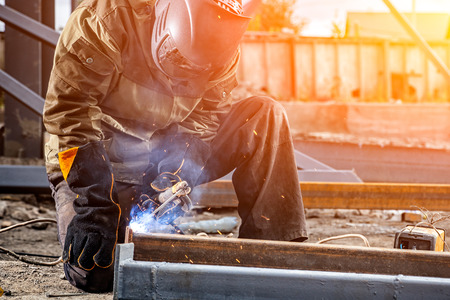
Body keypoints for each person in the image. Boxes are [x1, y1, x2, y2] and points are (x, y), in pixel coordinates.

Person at [43, 0, 308, 293]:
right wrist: (94, 204)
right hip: (99, 162)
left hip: (160, 154)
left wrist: (173, 173)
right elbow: (70, 112)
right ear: (164, 17)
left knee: (264, 114)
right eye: (178, 60)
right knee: (96, 268)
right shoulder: (103, 19)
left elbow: (206, 115)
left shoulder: (222, 42)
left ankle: (275, 254)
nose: (183, 75)